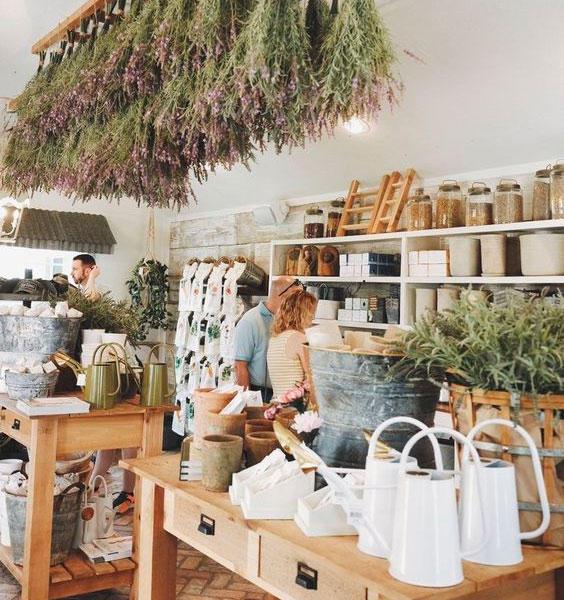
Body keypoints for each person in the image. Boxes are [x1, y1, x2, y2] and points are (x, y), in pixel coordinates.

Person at [233, 276, 295, 400]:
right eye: (295, 299)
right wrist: (247, 402)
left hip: (283, 394)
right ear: (283, 297)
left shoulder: (287, 321)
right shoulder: (250, 321)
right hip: (259, 394)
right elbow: (240, 366)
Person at [267, 288, 318, 399]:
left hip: (277, 403)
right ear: (302, 313)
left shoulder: (275, 339)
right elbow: (312, 376)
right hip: (295, 405)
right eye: (311, 312)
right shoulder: (299, 338)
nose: (313, 317)